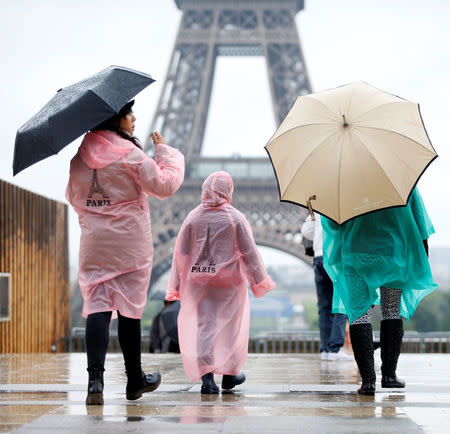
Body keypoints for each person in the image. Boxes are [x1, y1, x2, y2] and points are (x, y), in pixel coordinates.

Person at [66, 100, 185, 405]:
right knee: (129, 310)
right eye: (128, 113)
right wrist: (165, 153)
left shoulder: (79, 158)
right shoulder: (131, 154)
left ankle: (95, 382)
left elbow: (73, 196)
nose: (134, 118)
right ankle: (134, 379)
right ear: (114, 119)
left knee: (96, 306)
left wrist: (98, 216)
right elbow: (164, 184)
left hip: (95, 243)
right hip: (129, 244)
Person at [166, 171, 275, 394]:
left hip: (199, 282)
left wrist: (176, 285)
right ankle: (229, 374)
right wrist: (259, 282)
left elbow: (182, 253)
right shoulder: (235, 218)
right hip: (228, 284)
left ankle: (207, 378)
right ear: (229, 191)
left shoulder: (193, 217)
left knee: (204, 327)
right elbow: (249, 253)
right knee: (231, 328)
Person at [321, 187, 438, 395]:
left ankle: (368, 381)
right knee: (392, 310)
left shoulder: (344, 181)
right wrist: (422, 256)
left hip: (355, 254)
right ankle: (389, 376)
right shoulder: (399, 179)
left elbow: (331, 222)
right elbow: (421, 224)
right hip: (391, 253)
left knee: (359, 315)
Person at [301, 214, 352, 361]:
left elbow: (305, 231)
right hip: (336, 257)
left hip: (319, 257)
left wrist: (318, 232)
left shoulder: (317, 208)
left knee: (324, 307)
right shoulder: (342, 205)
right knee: (341, 304)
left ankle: (325, 349)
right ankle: (335, 349)